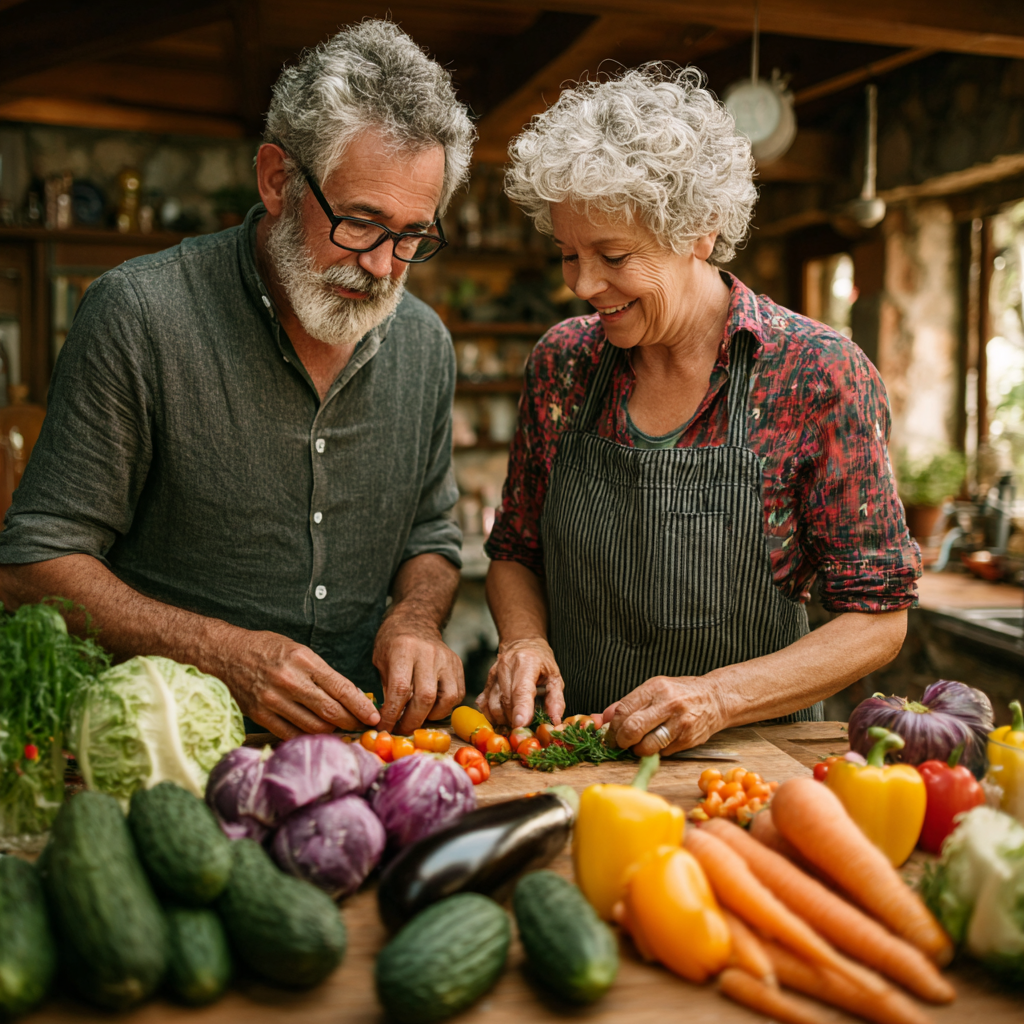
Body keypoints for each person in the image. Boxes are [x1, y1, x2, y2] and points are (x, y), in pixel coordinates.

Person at [0, 21, 476, 740]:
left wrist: (414, 618)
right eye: (360, 223)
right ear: (278, 179)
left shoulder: (426, 343)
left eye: (413, 236)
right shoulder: (140, 314)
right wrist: (221, 656)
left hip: (361, 750)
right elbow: (32, 562)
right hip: (166, 749)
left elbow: (430, 533)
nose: (383, 267)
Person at [479, 66, 921, 756]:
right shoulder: (563, 365)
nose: (584, 284)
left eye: (614, 255)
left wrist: (717, 697)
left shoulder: (817, 374)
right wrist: (524, 638)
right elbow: (514, 552)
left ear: (701, 231)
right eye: (568, 254)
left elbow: (878, 617)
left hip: (751, 762)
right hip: (573, 755)